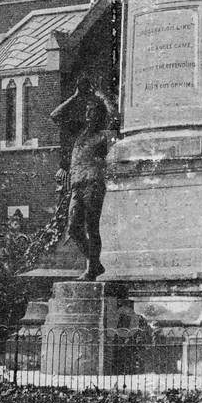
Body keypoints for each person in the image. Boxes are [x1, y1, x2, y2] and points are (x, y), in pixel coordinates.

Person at [50, 77, 118, 281]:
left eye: (94, 111)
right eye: (88, 111)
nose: (90, 114)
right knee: (72, 228)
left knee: (91, 226)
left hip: (93, 183)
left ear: (100, 115)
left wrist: (101, 96)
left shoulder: (105, 135)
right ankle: (95, 263)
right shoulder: (79, 132)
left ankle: (91, 268)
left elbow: (115, 117)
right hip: (77, 185)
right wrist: (76, 97)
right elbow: (55, 116)